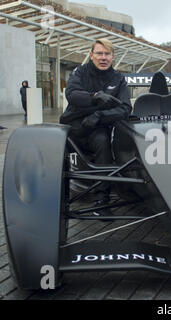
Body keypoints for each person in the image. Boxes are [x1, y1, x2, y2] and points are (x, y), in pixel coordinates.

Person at [60, 38, 132, 216]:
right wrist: (94, 97)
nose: (103, 57)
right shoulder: (79, 72)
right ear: (91, 55)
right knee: (55, 145)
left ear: (113, 57)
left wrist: (100, 116)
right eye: (99, 53)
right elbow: (71, 94)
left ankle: (102, 199)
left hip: (98, 127)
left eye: (107, 54)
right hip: (74, 125)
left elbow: (125, 108)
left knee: (103, 141)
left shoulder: (118, 78)